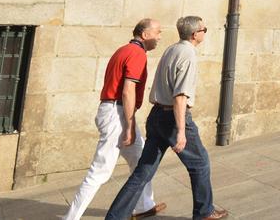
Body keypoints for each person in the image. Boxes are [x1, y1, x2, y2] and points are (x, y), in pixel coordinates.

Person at [105, 16, 227, 220]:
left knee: (143, 171)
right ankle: (204, 212)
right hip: (173, 117)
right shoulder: (188, 55)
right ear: (195, 33)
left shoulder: (172, 49)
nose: (205, 32)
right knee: (200, 163)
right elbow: (180, 97)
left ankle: (115, 216)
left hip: (157, 116)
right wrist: (181, 131)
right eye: (204, 29)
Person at [64, 19, 166, 220]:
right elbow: (128, 91)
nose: (160, 37)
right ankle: (71, 218)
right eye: (158, 32)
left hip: (116, 111)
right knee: (100, 171)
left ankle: (145, 205)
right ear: (145, 35)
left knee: (141, 160)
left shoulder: (124, 50)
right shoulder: (136, 53)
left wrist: (130, 122)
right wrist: (129, 125)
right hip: (116, 114)